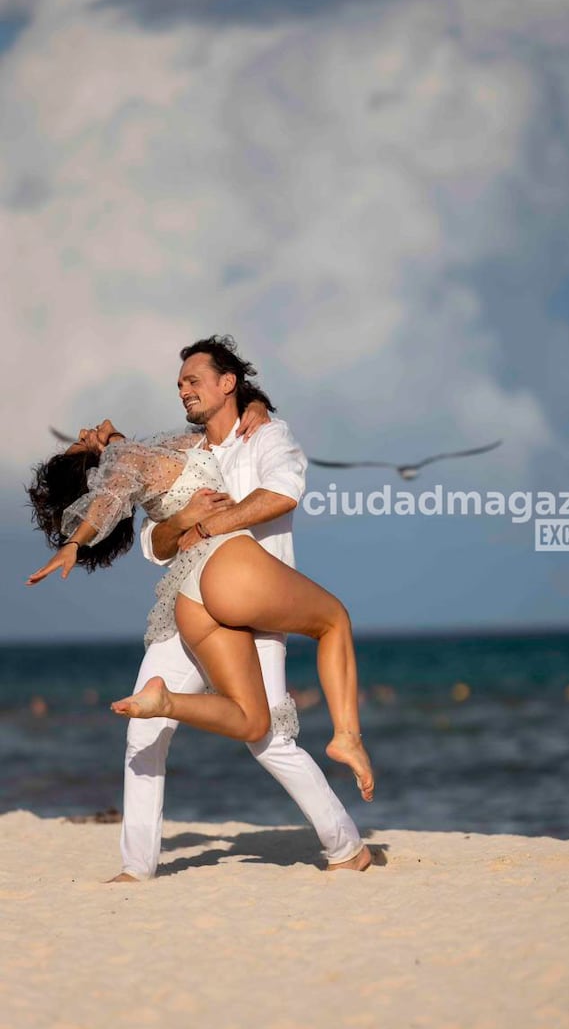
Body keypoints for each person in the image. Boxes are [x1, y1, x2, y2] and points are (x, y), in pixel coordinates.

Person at [27, 337, 374, 876]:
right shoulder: (186, 448)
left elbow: (280, 489)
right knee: (150, 734)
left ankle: (346, 847)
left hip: (246, 601)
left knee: (265, 738)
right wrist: (181, 518)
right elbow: (153, 538)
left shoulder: (261, 433)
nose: (183, 390)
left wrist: (113, 446)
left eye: (192, 381)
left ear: (228, 384)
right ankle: (137, 866)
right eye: (180, 384)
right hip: (207, 591)